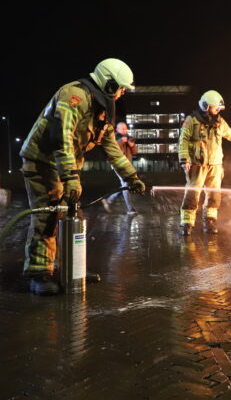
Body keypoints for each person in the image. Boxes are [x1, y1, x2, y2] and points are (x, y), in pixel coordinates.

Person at [19, 58, 146, 295]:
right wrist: (70, 177)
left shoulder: (101, 109)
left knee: (72, 215)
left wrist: (131, 177)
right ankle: (39, 274)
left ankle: (71, 268)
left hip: (64, 166)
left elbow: (112, 150)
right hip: (41, 162)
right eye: (120, 88)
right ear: (108, 84)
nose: (121, 93)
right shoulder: (73, 96)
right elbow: (62, 137)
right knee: (48, 215)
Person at [178, 90, 231, 236]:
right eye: (216, 108)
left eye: (219, 108)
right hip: (197, 165)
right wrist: (184, 158)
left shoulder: (219, 122)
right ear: (205, 106)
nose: (218, 110)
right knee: (192, 194)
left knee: (214, 195)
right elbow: (183, 140)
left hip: (215, 165)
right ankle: (187, 223)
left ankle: (210, 220)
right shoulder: (191, 121)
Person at [101, 121, 139, 214]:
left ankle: (109, 200)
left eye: (125, 128)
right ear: (117, 129)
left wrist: (132, 145)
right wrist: (121, 141)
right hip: (117, 164)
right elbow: (113, 149)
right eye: (122, 128)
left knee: (125, 185)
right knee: (125, 184)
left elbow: (135, 152)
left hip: (127, 165)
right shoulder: (113, 137)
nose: (124, 130)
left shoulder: (129, 138)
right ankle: (130, 209)